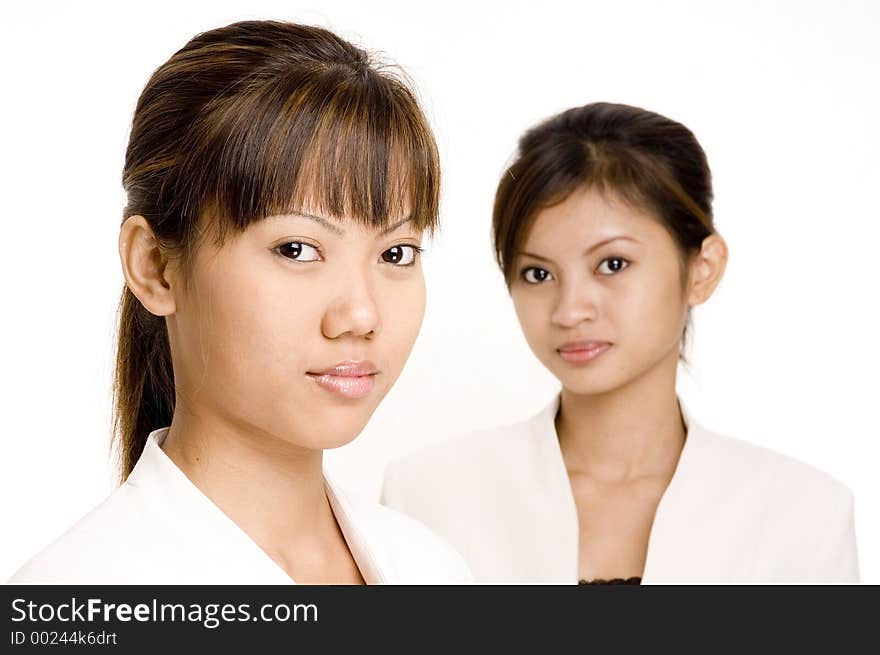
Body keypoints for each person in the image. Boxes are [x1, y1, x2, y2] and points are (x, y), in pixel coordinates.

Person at [10, 20, 470, 585]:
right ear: (155, 267)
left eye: (396, 254)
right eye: (297, 249)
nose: (361, 315)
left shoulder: (435, 569)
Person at [381, 102, 859, 584]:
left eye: (612, 264)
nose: (570, 310)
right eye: (538, 273)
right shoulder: (427, 499)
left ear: (702, 269)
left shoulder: (805, 518)